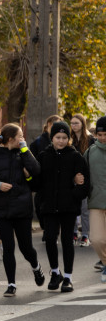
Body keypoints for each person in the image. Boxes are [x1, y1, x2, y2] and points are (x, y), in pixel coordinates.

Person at [0, 123, 45, 297]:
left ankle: (36, 266)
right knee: (8, 247)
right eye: (20, 136)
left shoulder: (23, 154)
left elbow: (36, 170)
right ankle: (11, 284)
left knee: (26, 248)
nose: (22, 139)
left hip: (22, 208)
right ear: (11, 139)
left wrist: (25, 150)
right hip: (2, 209)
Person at [37, 121, 88, 293]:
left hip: (68, 207)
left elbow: (84, 182)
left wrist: (75, 195)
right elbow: (38, 181)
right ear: (52, 138)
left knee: (67, 241)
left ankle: (68, 277)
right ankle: (55, 272)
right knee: (50, 239)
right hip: (49, 206)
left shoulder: (75, 156)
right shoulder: (44, 156)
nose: (61, 141)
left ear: (69, 139)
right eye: (57, 137)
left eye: (64, 137)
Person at [85, 116, 106, 282]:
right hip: (96, 201)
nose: (103, 138)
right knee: (97, 239)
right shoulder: (90, 152)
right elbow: (82, 174)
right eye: (100, 134)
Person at [70, 114, 93, 246]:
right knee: (73, 207)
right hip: (73, 178)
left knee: (85, 208)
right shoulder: (70, 140)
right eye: (72, 123)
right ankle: (73, 233)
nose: (74, 126)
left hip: (86, 178)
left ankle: (85, 235)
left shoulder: (90, 140)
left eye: (76, 123)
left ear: (82, 124)